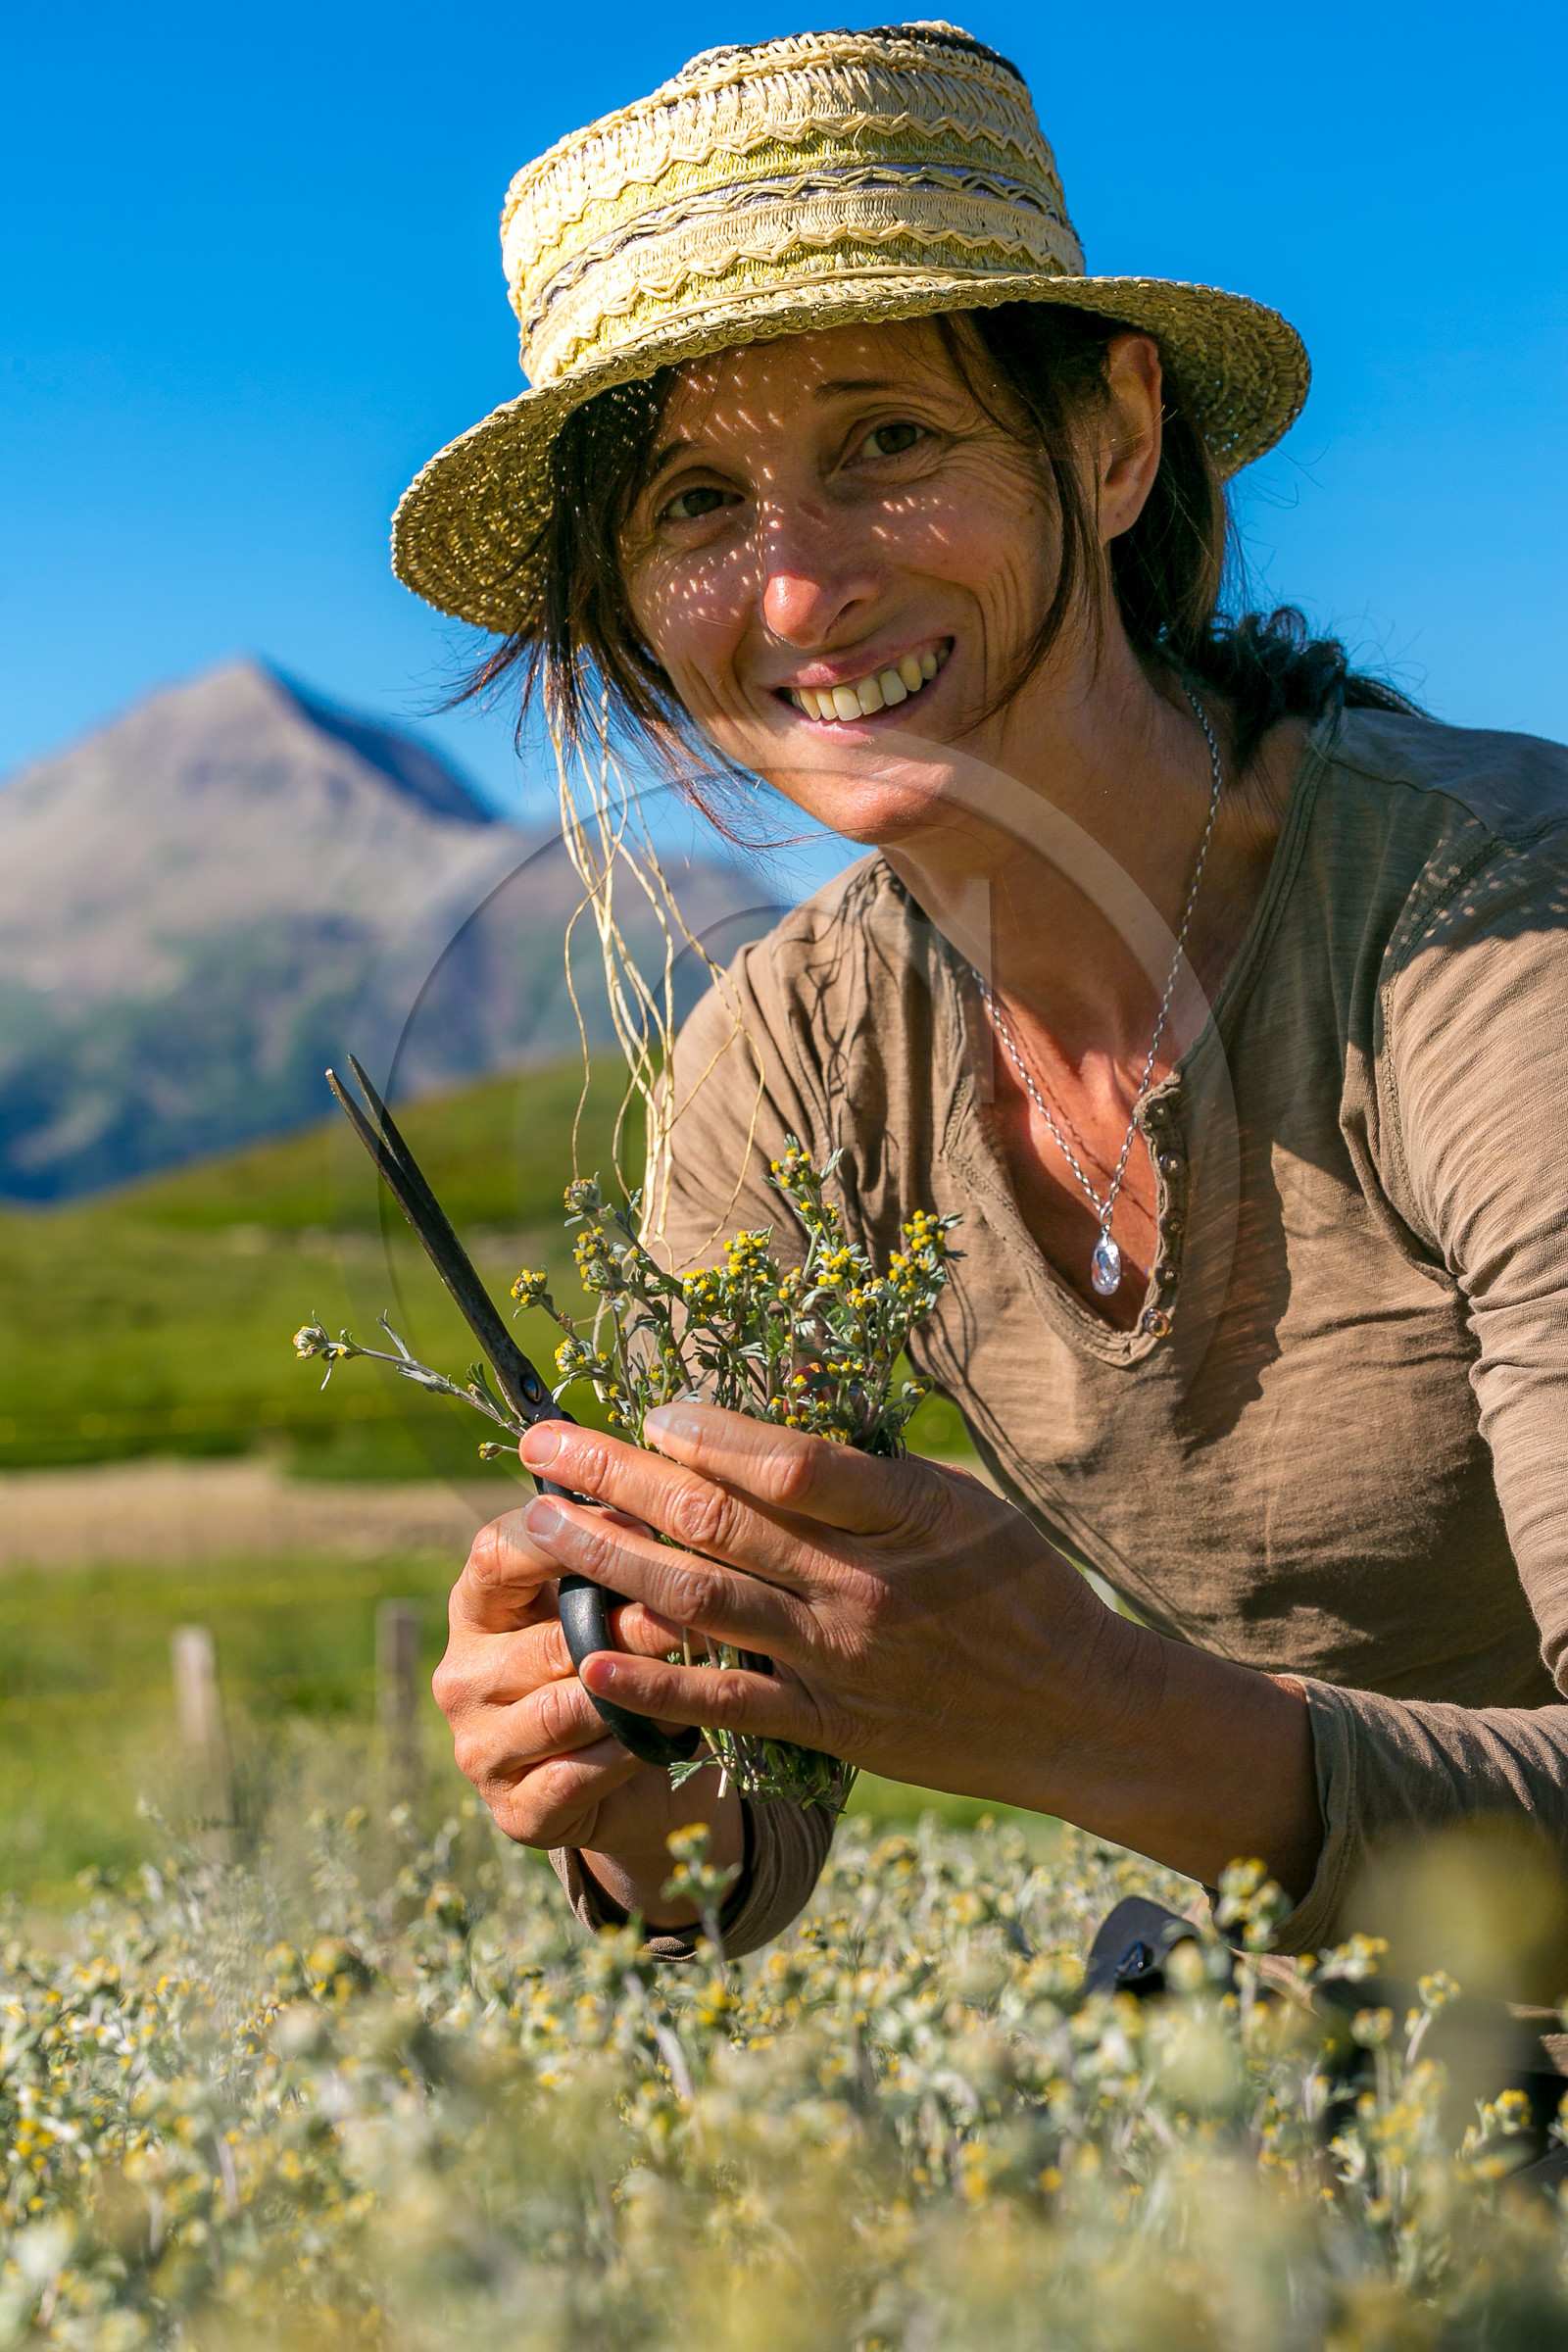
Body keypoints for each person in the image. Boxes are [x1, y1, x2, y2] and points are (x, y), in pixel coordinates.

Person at [404, 25, 1568, 1965]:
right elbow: (735, 1842)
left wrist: (1088, 1712)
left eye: (883, 439)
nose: (796, 594)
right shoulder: (785, 1061)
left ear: (1109, 444)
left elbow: (1102, 1729)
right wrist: (622, 1774)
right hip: (1358, 2092)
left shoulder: (1483, 928)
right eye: (694, 501)